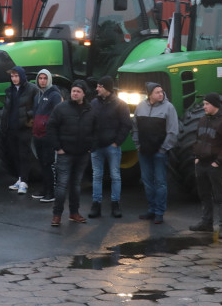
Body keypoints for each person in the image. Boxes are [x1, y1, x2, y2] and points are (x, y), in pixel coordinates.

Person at [46, 80, 97, 227]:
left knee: (76, 185)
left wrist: (90, 147)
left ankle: (74, 213)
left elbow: (96, 130)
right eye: (73, 91)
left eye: (78, 91)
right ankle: (57, 215)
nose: (74, 93)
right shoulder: (61, 108)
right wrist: (58, 148)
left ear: (84, 94)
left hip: (82, 154)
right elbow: (51, 127)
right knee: (61, 185)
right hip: (65, 153)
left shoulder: (90, 110)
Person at [190, 92, 222, 239]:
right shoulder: (203, 120)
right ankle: (206, 223)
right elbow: (198, 139)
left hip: (216, 165)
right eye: (204, 104)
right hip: (201, 164)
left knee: (220, 197)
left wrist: (217, 162)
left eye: (206, 104)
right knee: (204, 195)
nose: (204, 106)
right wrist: (196, 157)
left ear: (214, 105)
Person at [132, 82, 179, 225]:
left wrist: (163, 149)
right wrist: (137, 145)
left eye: (161, 91)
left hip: (159, 153)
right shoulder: (140, 106)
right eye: (157, 92)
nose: (161, 94)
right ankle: (151, 210)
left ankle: (159, 212)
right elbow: (135, 127)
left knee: (160, 183)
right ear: (150, 94)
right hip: (144, 152)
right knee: (147, 182)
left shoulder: (169, 108)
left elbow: (173, 131)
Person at [88, 75, 131, 219]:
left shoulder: (120, 104)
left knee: (115, 176)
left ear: (106, 88)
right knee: (97, 176)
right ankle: (96, 205)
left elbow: (126, 125)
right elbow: (89, 123)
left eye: (100, 86)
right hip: (96, 147)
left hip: (112, 147)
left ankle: (115, 204)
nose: (97, 89)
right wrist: (92, 141)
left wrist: (117, 142)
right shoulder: (94, 103)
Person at [0, 66, 36, 194]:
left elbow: (37, 106)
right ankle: (20, 179)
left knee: (24, 155)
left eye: (16, 76)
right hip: (11, 127)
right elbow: (7, 109)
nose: (14, 78)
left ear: (22, 76)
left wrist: (28, 116)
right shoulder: (10, 90)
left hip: (24, 127)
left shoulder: (32, 89)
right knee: (14, 154)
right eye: (12, 76)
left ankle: (24, 182)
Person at [31, 69, 63, 202]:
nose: (42, 81)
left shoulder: (55, 95)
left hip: (48, 135)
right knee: (42, 163)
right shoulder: (37, 95)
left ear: (49, 79)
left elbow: (57, 115)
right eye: (40, 78)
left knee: (48, 163)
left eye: (45, 78)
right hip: (37, 135)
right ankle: (44, 188)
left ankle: (51, 192)